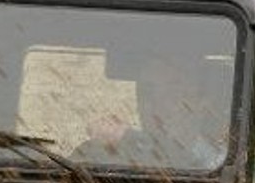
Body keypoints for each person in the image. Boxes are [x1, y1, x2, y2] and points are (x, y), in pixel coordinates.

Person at [78, 56, 228, 169]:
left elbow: (180, 161)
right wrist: (97, 147)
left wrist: (128, 138)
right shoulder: (111, 153)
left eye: (172, 88)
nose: (156, 102)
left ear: (200, 101)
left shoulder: (220, 163)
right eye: (147, 90)